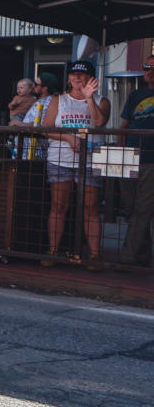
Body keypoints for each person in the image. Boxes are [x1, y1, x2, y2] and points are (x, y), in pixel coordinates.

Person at [41, 60, 111, 269]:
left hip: (89, 160)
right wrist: (68, 138)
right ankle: (53, 250)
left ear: (92, 78)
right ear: (69, 77)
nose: (77, 78)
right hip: (60, 158)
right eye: (73, 74)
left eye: (82, 75)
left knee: (91, 207)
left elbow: (99, 122)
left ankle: (95, 255)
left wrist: (89, 98)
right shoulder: (58, 100)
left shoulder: (102, 100)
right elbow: (45, 128)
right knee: (58, 205)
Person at [119, 54, 154, 266]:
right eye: (147, 66)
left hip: (152, 159)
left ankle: (127, 257)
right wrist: (120, 152)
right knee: (130, 207)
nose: (150, 70)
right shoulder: (135, 95)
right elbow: (122, 126)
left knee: (143, 207)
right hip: (132, 157)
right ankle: (142, 253)